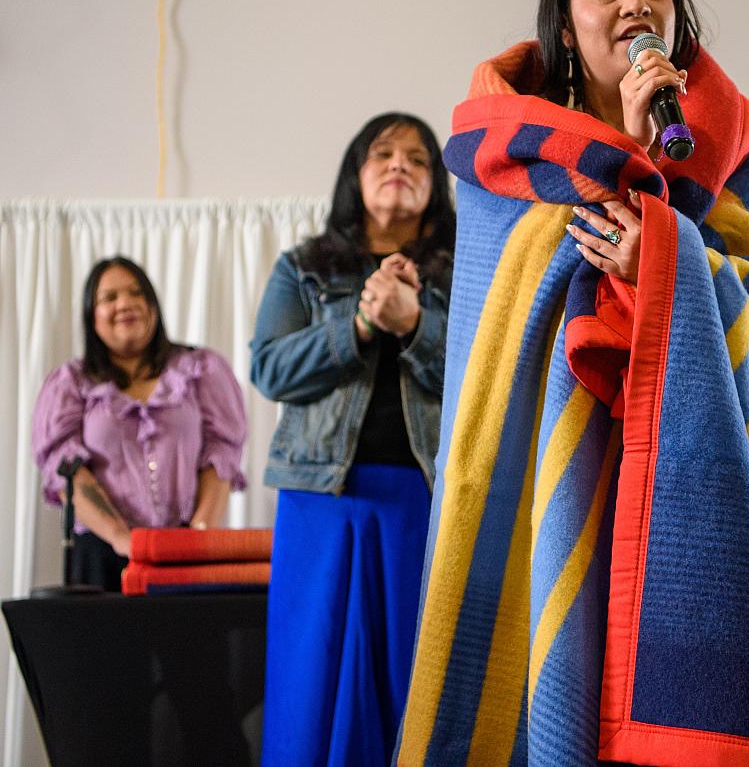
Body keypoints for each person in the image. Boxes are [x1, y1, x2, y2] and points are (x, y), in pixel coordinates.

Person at [398, 0, 749, 767]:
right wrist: (631, 163)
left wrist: (669, 258)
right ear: (566, 27)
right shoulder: (508, 157)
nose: (635, 3)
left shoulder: (740, 149)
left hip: (684, 488)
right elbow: (492, 343)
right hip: (549, 487)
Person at [251, 112, 454, 767]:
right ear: (355, 174)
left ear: (436, 183)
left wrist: (416, 322)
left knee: (413, 679)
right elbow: (270, 368)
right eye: (383, 153)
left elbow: (490, 378)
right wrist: (360, 325)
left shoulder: (469, 268)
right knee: (310, 679)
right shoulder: (303, 266)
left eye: (418, 159)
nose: (400, 166)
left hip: (427, 499)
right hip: (319, 497)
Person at [31, 256, 247, 592]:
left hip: (184, 550)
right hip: (103, 553)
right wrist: (122, 538)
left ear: (153, 305)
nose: (125, 304)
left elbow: (221, 455)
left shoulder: (201, 369)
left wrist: (199, 535)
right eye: (110, 297)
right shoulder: (69, 383)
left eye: (136, 293)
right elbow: (66, 471)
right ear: (91, 314)